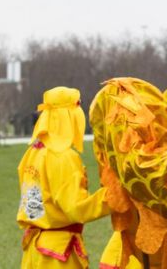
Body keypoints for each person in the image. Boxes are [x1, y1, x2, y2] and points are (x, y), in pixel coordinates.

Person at [17, 86, 111, 268]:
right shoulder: (63, 157)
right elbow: (76, 208)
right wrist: (113, 196)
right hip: (57, 255)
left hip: (34, 252)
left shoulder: (32, 153)